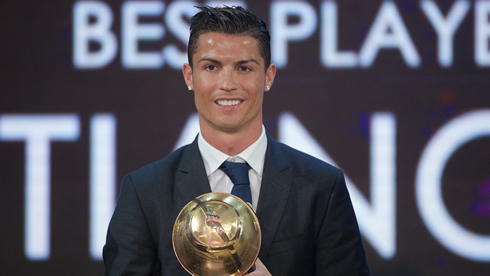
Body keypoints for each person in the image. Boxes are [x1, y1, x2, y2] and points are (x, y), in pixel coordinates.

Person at [103, 5, 370, 276]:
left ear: (268, 76)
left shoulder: (322, 187)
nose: (228, 83)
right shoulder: (145, 192)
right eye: (211, 67)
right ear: (189, 75)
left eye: (243, 68)